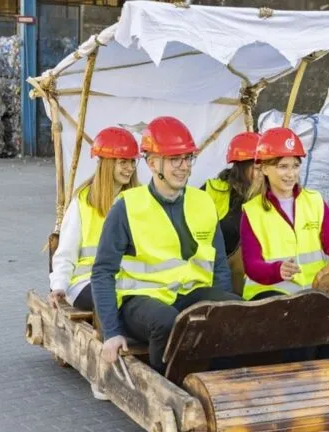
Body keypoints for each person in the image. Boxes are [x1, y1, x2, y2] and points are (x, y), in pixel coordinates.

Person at [91, 116, 242, 374]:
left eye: (188, 158)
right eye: (175, 159)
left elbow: (219, 265)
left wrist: (222, 309)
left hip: (190, 293)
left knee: (235, 311)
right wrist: (112, 333)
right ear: (151, 163)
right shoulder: (127, 206)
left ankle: (217, 380)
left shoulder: (203, 202)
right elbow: (102, 272)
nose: (184, 167)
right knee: (166, 322)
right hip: (140, 301)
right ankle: (167, 384)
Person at [239, 126, 329, 360]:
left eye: (295, 165)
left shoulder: (314, 201)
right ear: (264, 168)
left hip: (313, 292)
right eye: (282, 166)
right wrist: (277, 270)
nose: (290, 173)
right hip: (269, 295)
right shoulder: (251, 211)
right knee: (300, 334)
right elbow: (251, 265)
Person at [48, 126, 140, 312]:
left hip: (126, 281)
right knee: (116, 303)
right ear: (106, 163)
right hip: (86, 282)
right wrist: (59, 285)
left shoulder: (139, 200)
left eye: (132, 162)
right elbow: (66, 253)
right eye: (123, 162)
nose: (130, 168)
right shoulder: (83, 201)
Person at [201, 131, 260, 295]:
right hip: (216, 278)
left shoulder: (271, 198)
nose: (263, 173)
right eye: (257, 167)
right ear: (240, 167)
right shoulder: (212, 190)